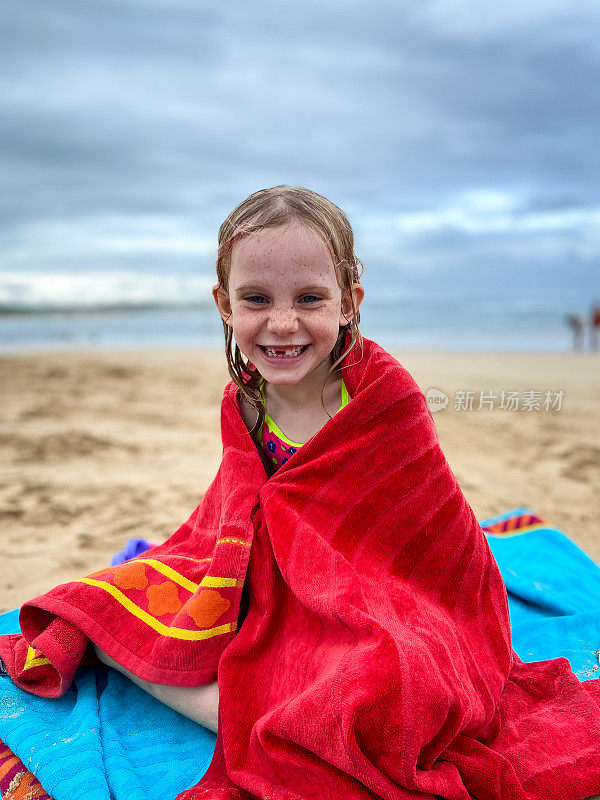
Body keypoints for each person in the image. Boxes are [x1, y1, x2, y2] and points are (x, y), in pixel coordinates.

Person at [93, 185, 365, 733]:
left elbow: (412, 538)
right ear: (225, 305)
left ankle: (273, 718)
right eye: (257, 300)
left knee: (372, 699)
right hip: (263, 590)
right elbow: (234, 512)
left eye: (310, 298)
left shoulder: (379, 402)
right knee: (102, 610)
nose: (283, 323)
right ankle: (244, 710)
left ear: (349, 302)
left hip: (355, 600)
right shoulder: (245, 402)